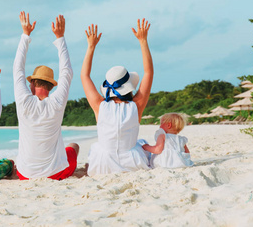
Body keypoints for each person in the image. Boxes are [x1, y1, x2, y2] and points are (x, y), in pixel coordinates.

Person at [81, 20, 153, 176]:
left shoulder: (100, 106)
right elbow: (148, 73)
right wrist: (143, 41)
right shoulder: (136, 105)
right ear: (129, 86)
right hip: (132, 162)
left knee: (96, 148)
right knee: (143, 145)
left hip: (103, 164)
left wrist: (91, 46)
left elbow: (84, 76)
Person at [13, 11, 79, 180]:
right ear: (51, 85)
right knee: (74, 146)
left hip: (25, 175)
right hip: (55, 174)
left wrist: (25, 35)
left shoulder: (24, 102)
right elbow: (67, 72)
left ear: (32, 84)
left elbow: (17, 69)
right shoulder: (57, 101)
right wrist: (60, 38)